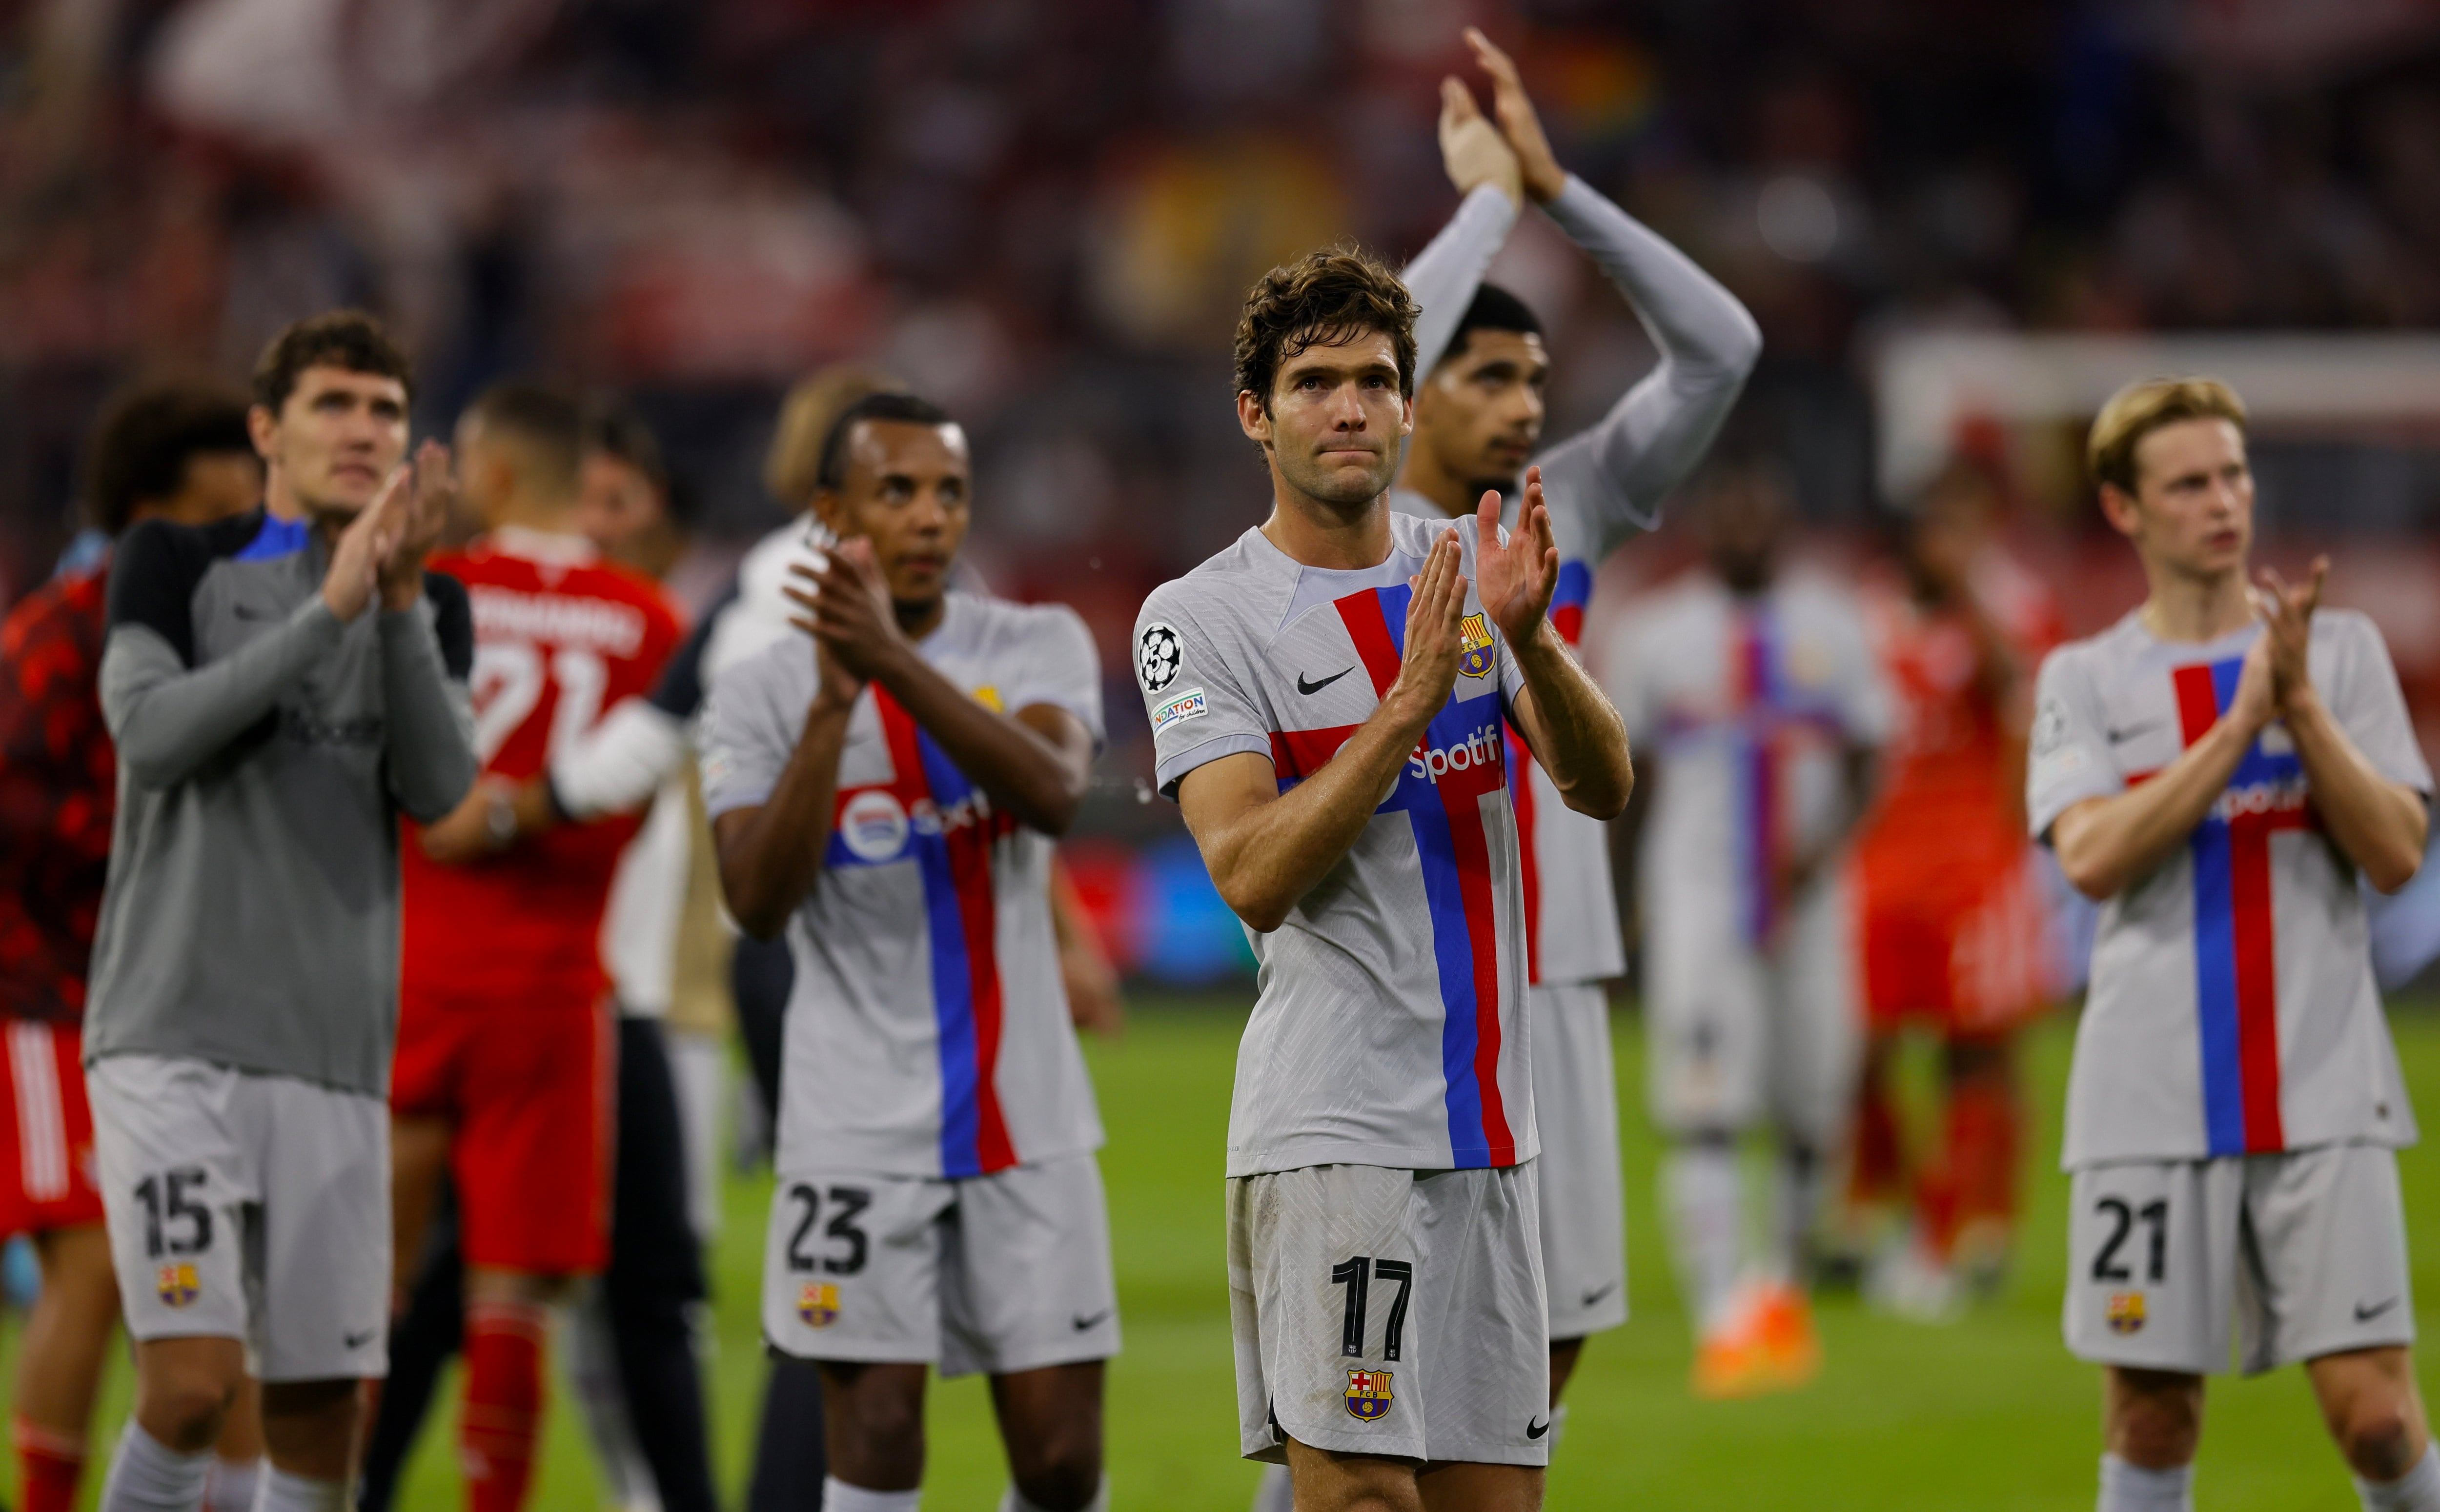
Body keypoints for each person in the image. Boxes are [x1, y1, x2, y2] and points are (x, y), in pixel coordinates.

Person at [1139, 247, 1633, 1510]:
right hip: (1336, 1127)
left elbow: (1603, 783)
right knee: (1361, 1498)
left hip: (1491, 1126)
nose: (1348, 407)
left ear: (1411, 405)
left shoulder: (1471, 569)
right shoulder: (1199, 616)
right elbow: (1248, 869)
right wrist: (1409, 705)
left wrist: (1533, 646)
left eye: (1373, 379)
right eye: (1313, 382)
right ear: (1256, 412)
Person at [1388, 24, 1759, 1426]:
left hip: (1561, 967)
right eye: (1488, 377)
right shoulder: (1363, 531)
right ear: (1411, 392)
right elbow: (1354, 350)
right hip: (1411, 977)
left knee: (1552, 1335)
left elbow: (1722, 349)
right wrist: (1487, 207)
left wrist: (1557, 191)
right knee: (1378, 1352)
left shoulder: (1570, 506)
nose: (1525, 405)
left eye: (1536, 381)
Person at [83, 309, 476, 1512]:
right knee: (196, 1385)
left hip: (334, 1057)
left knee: (319, 1410)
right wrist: (330, 611)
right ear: (268, 429)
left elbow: (441, 788)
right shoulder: (173, 563)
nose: (364, 431)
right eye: (334, 405)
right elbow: (151, 737)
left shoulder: (436, 605)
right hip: (174, 1037)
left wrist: (397, 601)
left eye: (387, 412)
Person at [702, 390, 1117, 1512]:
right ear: (834, 513)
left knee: (1062, 1464)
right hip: (850, 1130)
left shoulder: (1037, 643)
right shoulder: (755, 692)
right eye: (898, 491)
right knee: (875, 1432)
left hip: (1024, 1117)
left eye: (949, 492)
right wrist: (834, 713)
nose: (932, 517)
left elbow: (1051, 793)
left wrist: (892, 663)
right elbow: (756, 901)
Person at [2030, 378, 2436, 1512]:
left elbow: (2398, 849)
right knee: (2152, 1412)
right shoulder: (2085, 676)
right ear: (2124, 509)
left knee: (2378, 1415)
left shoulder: (2340, 654)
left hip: (2323, 1085)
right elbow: (2093, 855)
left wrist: (2299, 708)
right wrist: (2237, 727)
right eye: (2189, 483)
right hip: (2147, 1096)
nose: (2224, 502)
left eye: (2234, 475)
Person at [387, 382, 681, 1512]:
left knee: (369, 1283)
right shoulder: (648, 619)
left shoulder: (434, 590)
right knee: (513, 1296)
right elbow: (629, 804)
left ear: (499, 475)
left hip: (415, 970)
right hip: (555, 989)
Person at [0, 381, 265, 1512]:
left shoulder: (234, 624)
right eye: (221, 510)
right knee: (96, 1269)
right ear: (153, 511)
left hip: (196, 1008)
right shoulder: (58, 636)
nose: (245, 530)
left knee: (227, 1290)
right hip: (51, 995)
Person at [1602, 455, 1888, 1397]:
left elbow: (1867, 754)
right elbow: (1621, 781)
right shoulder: (1655, 633)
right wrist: (1621, 908)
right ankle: (1721, 1310)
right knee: (1708, 1108)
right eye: (1730, 512)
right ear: (1704, 524)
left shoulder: (1835, 621)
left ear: (1786, 519)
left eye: (1762, 510)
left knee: (1814, 1109)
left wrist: (1823, 846)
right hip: (1700, 900)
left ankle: (1780, 1292)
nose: (1747, 528)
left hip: (1813, 903)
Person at [1845, 458, 2062, 1317]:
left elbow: (2021, 696)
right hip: (1880, 861)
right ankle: (1878, 1213)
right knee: (1864, 1048)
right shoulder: (1869, 611)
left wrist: (1973, 593)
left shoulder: (2011, 606)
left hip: (1975, 864)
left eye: (1968, 526)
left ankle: (1978, 1227)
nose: (1950, 543)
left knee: (1979, 1049)